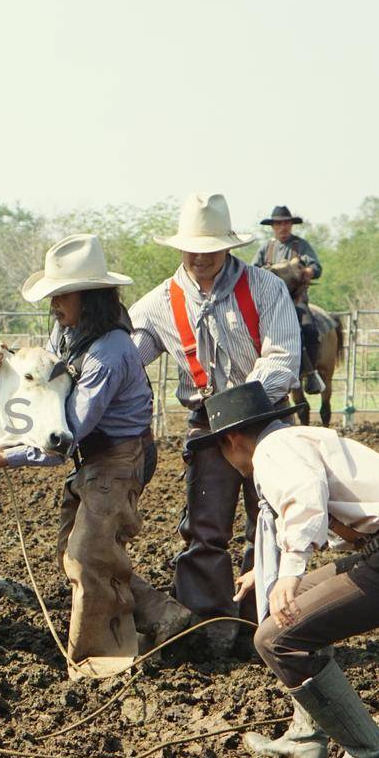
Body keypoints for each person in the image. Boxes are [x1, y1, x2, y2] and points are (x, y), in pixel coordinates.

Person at [0, 235, 195, 679]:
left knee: (85, 556)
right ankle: (161, 614)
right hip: (96, 456)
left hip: (120, 458)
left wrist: (6, 458)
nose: (55, 305)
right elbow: (44, 380)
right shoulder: (67, 333)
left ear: (91, 297)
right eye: (54, 296)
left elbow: (68, 434)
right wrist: (6, 363)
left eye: (63, 295)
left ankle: (98, 660)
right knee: (76, 549)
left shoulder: (108, 353)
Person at [195, 381, 379, 758]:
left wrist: (289, 571)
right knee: (298, 605)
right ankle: (306, 738)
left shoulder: (274, 450)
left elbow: (303, 499)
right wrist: (270, 571)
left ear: (231, 440)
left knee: (275, 638)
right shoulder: (298, 439)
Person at [128, 192, 301, 656]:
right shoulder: (159, 302)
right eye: (192, 248)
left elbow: (283, 356)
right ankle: (201, 625)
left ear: (228, 247)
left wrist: (245, 403)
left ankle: (261, 625)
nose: (200, 257)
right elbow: (128, 358)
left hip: (267, 416)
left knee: (269, 522)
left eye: (209, 249)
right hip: (207, 422)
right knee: (204, 526)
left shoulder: (266, 288)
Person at [253, 205, 324, 393]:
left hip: (296, 299)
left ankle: (311, 374)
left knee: (310, 330)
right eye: (278, 224)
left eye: (285, 223)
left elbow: (317, 267)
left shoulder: (301, 246)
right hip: (270, 301)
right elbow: (252, 272)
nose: (282, 227)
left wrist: (308, 271)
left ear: (291, 225)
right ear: (273, 227)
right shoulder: (265, 249)